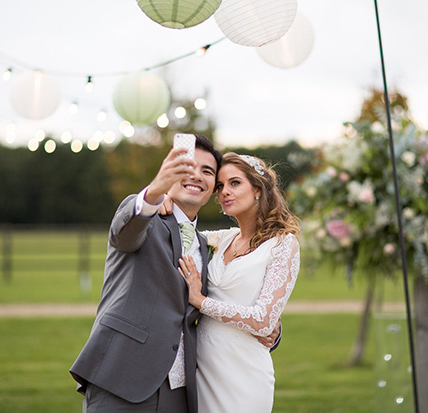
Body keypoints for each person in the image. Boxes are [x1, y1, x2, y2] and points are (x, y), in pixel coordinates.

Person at [69, 136, 278, 412]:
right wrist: (155, 192)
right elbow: (125, 235)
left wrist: (268, 326)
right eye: (187, 166)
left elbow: (222, 296)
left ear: (212, 189)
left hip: (181, 392)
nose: (196, 175)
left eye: (207, 172)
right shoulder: (144, 215)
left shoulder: (209, 246)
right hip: (122, 378)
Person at [176, 152, 300, 412]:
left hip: (244, 374)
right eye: (220, 186)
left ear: (257, 189)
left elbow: (265, 321)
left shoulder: (282, 244)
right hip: (204, 369)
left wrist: (200, 301)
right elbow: (178, 229)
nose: (224, 192)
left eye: (234, 183)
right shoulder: (221, 239)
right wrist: (167, 198)